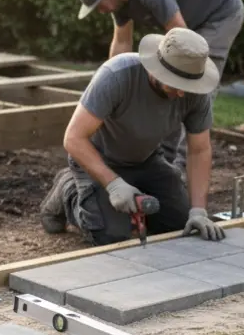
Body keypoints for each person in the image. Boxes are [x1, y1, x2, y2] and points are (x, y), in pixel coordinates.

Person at [39, 27, 225, 245]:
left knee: (180, 224)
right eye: (176, 84)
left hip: (146, 160)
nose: (182, 93)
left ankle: (134, 197)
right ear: (156, 70)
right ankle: (67, 190)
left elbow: (199, 150)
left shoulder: (195, 92)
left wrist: (198, 211)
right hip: (98, 159)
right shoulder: (117, 75)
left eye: (188, 85)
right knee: (110, 236)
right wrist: (114, 185)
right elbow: (73, 138)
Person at [72, 0, 244, 170]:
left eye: (99, 5)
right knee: (168, 83)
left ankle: (179, 167)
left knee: (190, 83)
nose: (100, 11)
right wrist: (109, 85)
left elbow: (181, 36)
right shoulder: (121, 4)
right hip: (192, 21)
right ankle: (163, 160)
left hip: (220, 14)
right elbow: (122, 42)